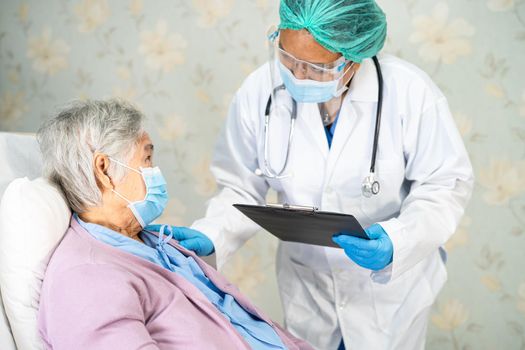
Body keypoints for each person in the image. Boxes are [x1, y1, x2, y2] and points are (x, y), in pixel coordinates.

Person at [183, 0, 475, 349]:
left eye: (317, 68)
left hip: (387, 298)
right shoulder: (259, 90)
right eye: (288, 58)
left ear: (353, 58)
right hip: (309, 287)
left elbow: (445, 184)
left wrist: (398, 240)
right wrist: (211, 234)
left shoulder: (409, 92)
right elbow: (239, 185)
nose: (298, 75)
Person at [36, 99, 313, 350]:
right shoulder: (86, 278)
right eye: (147, 158)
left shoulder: (148, 242)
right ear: (104, 170)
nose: (155, 171)